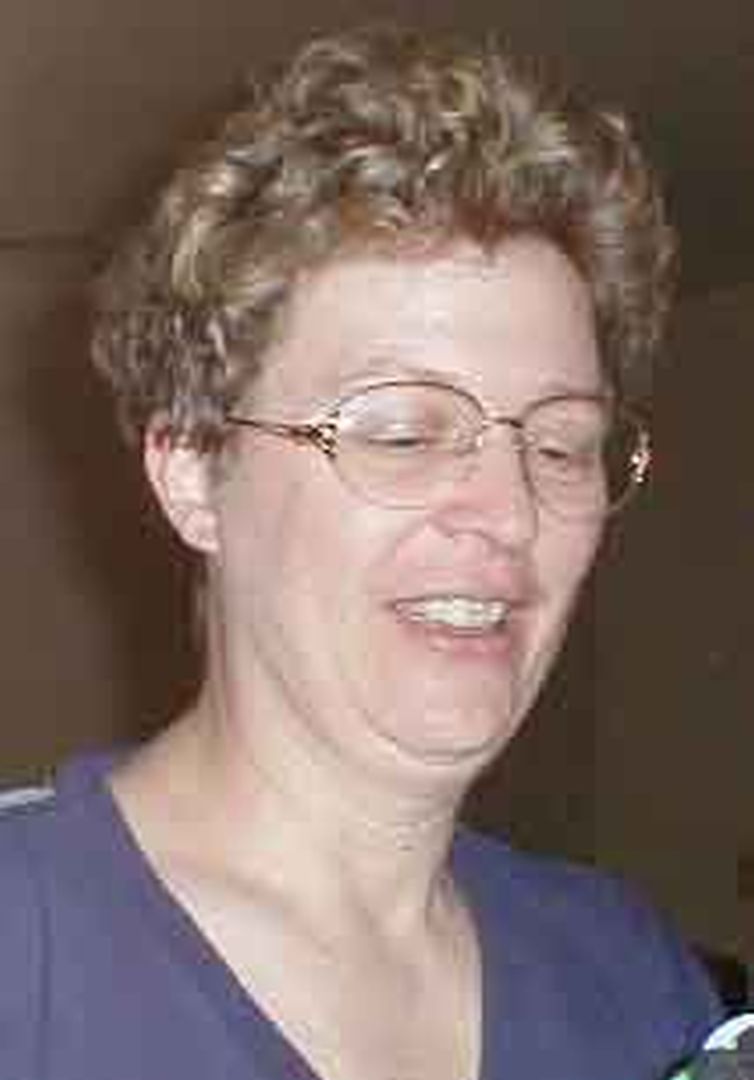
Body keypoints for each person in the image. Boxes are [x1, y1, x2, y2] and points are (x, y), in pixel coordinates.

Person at [0, 24, 722, 1080]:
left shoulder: (635, 986)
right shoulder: (26, 957)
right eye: (404, 432)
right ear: (194, 470)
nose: (511, 513)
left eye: (562, 444)